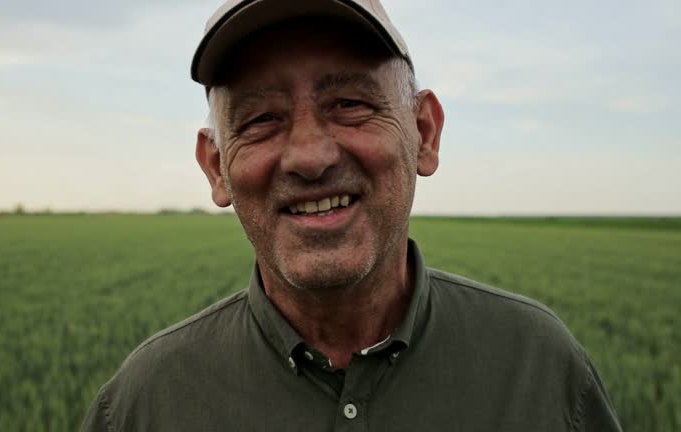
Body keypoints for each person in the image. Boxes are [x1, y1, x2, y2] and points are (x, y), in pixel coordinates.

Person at [81, 0, 622, 430]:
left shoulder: (538, 367)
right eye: (262, 118)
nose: (310, 156)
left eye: (349, 104)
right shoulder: (145, 404)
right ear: (217, 167)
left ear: (424, 134)